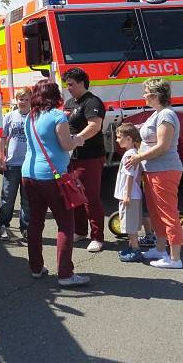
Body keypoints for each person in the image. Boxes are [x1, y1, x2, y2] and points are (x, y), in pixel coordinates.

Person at [21, 79, 89, 285]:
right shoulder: (57, 115)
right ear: (55, 94)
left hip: (29, 174)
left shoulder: (31, 116)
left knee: (35, 222)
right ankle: (66, 274)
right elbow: (66, 143)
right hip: (53, 176)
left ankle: (36, 267)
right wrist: (78, 139)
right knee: (65, 224)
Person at [125, 77, 183, 269]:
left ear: (154, 95)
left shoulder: (166, 115)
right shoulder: (157, 114)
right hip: (153, 170)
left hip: (164, 169)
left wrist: (138, 158)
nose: (143, 96)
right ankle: (160, 249)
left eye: (145, 93)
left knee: (168, 213)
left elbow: (163, 146)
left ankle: (175, 258)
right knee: (156, 212)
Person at [61, 67, 106, 253]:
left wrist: (77, 139)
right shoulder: (71, 102)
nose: (68, 88)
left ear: (81, 83)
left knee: (90, 198)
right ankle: (80, 231)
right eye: (67, 85)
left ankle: (97, 237)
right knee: (75, 196)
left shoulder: (92, 102)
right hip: (72, 157)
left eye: (71, 84)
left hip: (90, 157)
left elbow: (94, 126)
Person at [0, 88, 32, 241]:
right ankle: (3, 225)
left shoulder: (34, 117)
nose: (23, 102)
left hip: (29, 164)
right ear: (16, 101)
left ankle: (26, 227)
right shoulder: (10, 116)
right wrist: (0, 155)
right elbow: (2, 137)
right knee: (7, 197)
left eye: (26, 99)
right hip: (12, 163)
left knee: (27, 199)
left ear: (31, 100)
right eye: (20, 99)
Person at [114, 123, 144, 262]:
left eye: (120, 137)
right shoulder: (132, 153)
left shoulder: (130, 155)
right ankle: (131, 247)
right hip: (132, 194)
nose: (117, 140)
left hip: (130, 195)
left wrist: (126, 194)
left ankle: (136, 250)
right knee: (130, 222)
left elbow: (130, 176)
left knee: (130, 225)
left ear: (130, 139)